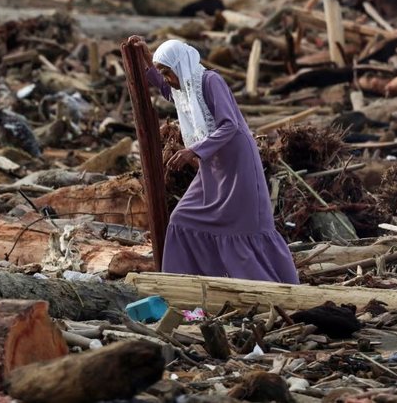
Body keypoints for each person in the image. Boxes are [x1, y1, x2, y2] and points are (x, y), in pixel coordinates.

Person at [128, 36, 299, 284]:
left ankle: (267, 286)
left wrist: (192, 151)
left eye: (167, 72)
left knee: (243, 227)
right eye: (163, 73)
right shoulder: (185, 88)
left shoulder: (210, 81)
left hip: (237, 161)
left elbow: (229, 125)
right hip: (212, 164)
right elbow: (169, 91)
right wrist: (147, 58)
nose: (167, 79)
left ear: (181, 66)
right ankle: (188, 286)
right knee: (182, 219)